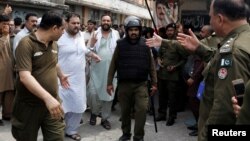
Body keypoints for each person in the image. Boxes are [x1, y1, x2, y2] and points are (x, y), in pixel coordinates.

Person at [147, 0, 250, 140]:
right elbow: (217, 57)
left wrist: (204, 137)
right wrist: (200, 49)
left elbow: (224, 110)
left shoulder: (233, 51)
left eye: (210, 17)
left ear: (219, 19)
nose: (210, 22)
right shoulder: (243, 39)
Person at [11, 11, 68, 141]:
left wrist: (61, 75)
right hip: (29, 106)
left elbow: (53, 63)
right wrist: (47, 98)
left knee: (57, 137)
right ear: (54, 28)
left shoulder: (54, 43)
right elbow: (25, 76)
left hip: (52, 105)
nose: (63, 32)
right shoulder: (26, 44)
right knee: (26, 138)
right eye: (62, 29)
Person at [107, 16, 157, 141]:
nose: (133, 32)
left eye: (136, 30)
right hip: (124, 85)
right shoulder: (120, 45)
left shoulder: (146, 44)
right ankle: (126, 134)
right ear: (127, 30)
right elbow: (113, 64)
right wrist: (109, 83)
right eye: (131, 30)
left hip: (141, 84)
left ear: (139, 31)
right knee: (125, 112)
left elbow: (151, 65)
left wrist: (155, 83)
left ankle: (138, 136)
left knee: (141, 111)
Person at [57, 13, 101, 141]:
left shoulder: (81, 35)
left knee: (78, 105)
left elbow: (84, 50)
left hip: (79, 80)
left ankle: (72, 130)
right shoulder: (59, 37)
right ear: (66, 23)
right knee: (61, 106)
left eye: (78, 23)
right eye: (73, 23)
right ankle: (58, 130)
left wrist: (93, 55)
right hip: (61, 79)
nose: (76, 26)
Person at [87, 14, 120, 130]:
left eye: (108, 20)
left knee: (108, 96)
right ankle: (94, 113)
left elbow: (119, 50)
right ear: (101, 21)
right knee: (92, 94)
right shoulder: (95, 33)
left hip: (112, 71)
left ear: (111, 22)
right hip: (96, 70)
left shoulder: (116, 34)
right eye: (104, 20)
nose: (106, 22)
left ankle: (105, 118)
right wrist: (91, 43)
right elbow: (87, 50)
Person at [0, 14, 15, 125]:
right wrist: (5, 36)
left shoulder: (11, 36)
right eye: (4, 24)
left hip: (9, 71)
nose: (7, 27)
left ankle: (7, 114)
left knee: (9, 93)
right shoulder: (5, 36)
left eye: (8, 24)